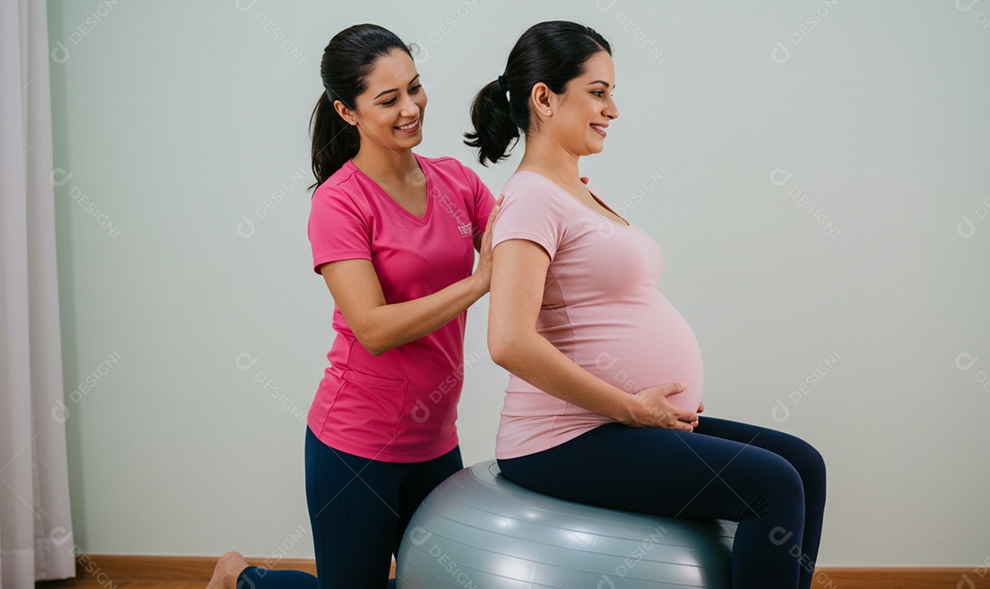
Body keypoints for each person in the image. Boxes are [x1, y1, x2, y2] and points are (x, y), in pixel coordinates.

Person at [466, 21, 827, 588]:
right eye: (598, 91)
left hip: (617, 424)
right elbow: (508, 341)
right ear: (543, 97)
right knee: (773, 486)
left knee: (803, 464)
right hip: (566, 438)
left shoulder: (575, 189)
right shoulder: (532, 198)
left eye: (612, 93)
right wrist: (631, 407)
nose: (613, 109)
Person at [207, 24, 498, 589]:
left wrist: (557, 190)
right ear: (347, 111)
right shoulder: (340, 202)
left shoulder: (456, 180)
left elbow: (518, 249)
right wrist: (479, 282)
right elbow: (373, 328)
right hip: (356, 442)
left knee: (438, 582)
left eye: (415, 88)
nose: (411, 107)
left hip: (436, 435)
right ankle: (241, 577)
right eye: (388, 100)